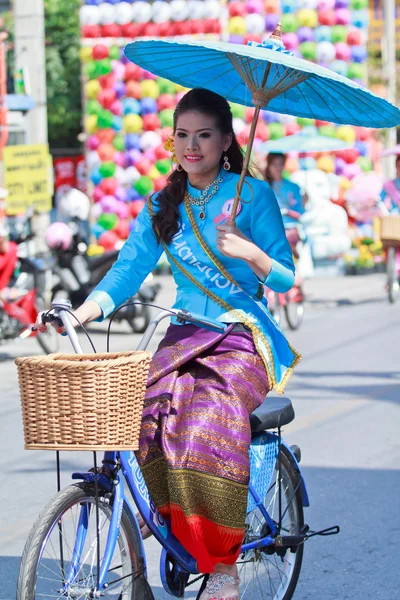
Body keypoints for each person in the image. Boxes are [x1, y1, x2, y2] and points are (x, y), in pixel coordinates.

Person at [37, 88, 299, 600]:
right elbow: (127, 271)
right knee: (144, 418)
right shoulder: (164, 203)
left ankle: (222, 564)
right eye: (183, 135)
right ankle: (180, 536)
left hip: (240, 336)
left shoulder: (253, 195)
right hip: (180, 335)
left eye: (204, 135)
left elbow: (286, 278)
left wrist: (249, 251)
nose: (192, 145)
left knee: (205, 418)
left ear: (226, 140)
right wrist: (78, 312)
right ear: (171, 141)